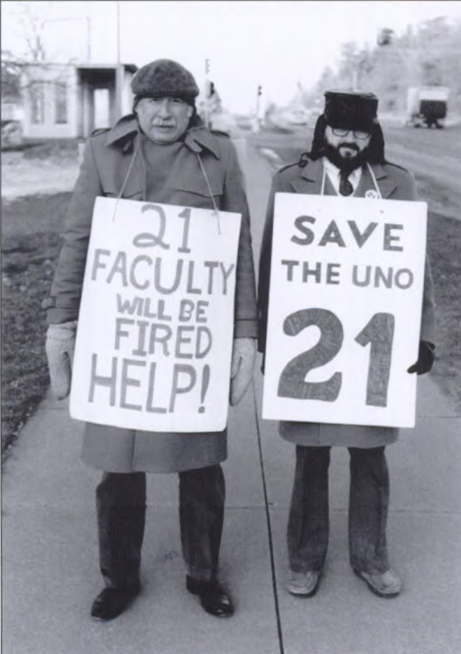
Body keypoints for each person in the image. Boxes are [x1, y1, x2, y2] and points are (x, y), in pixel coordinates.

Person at [45, 59, 257, 621]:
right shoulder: (102, 153)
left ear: (192, 109)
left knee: (201, 470)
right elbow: (77, 241)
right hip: (121, 343)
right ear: (136, 106)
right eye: (153, 102)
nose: (165, 113)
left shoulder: (220, 156)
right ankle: (118, 579)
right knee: (118, 471)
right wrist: (61, 323)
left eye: (176, 103)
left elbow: (238, 250)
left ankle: (204, 576)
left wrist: (244, 335)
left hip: (190, 343)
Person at [258, 90, 436, 599]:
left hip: (372, 342)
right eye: (340, 131)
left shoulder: (398, 183)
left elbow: (415, 266)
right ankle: (305, 558)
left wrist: (423, 335)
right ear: (324, 130)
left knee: (370, 456)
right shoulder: (290, 181)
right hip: (312, 343)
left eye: (359, 132)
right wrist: (269, 337)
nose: (349, 141)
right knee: (311, 456)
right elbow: (271, 262)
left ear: (372, 133)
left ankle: (371, 557)